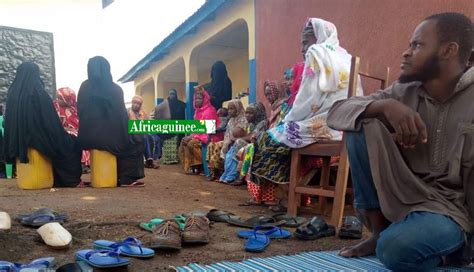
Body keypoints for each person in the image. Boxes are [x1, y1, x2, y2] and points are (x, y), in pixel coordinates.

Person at [327, 12, 473, 271]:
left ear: (449, 50)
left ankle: (457, 244)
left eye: (417, 45)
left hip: (451, 209)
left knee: (396, 250)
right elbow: (337, 112)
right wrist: (385, 106)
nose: (406, 53)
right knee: (361, 122)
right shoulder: (404, 91)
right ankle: (378, 232)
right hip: (403, 194)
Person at [249, 18, 358, 201]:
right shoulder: (346, 57)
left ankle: (289, 197)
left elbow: (308, 98)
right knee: (283, 138)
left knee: (266, 140)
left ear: (317, 39)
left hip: (323, 126)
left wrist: (289, 120)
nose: (302, 49)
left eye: (305, 43)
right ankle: (296, 194)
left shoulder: (317, 53)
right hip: (344, 128)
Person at [4, 61, 82, 187]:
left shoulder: (12, 94)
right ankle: (71, 180)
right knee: (71, 144)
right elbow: (51, 122)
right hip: (38, 139)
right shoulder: (38, 93)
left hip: (17, 141)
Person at [77, 56, 145, 187]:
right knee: (135, 141)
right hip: (108, 139)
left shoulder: (84, 87)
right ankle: (127, 178)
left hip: (86, 137)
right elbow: (120, 118)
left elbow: (80, 111)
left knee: (123, 139)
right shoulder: (115, 90)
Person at [219, 102, 267, 184]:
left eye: (251, 113)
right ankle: (228, 174)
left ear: (258, 113)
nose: (247, 115)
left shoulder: (262, 123)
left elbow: (252, 137)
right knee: (233, 147)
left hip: (259, 146)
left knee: (239, 143)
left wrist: (235, 139)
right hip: (249, 144)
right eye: (246, 113)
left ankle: (236, 175)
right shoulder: (251, 124)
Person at [179, 90, 220, 174]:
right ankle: (190, 167)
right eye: (196, 98)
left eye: (199, 98)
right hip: (200, 136)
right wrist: (190, 136)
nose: (197, 100)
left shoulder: (209, 111)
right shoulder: (197, 111)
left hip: (211, 136)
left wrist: (193, 137)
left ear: (205, 99)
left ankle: (201, 166)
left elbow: (208, 130)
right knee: (184, 141)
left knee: (191, 143)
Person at [53, 87, 91, 174]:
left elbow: (130, 131)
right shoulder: (55, 108)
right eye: (57, 97)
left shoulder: (77, 109)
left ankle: (85, 164)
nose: (57, 100)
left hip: (78, 131)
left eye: (60, 98)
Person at [207, 99, 247, 181]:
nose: (229, 111)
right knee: (212, 145)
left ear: (238, 108)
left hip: (240, 142)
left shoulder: (244, 119)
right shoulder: (230, 121)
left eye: (232, 109)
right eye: (228, 109)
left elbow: (242, 133)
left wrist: (230, 141)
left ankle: (230, 174)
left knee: (222, 148)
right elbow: (227, 135)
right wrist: (227, 143)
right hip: (229, 141)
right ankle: (214, 172)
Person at [153, 89, 186, 164]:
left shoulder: (179, 104)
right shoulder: (165, 104)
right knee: (166, 142)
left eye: (173, 94)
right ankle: (167, 159)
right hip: (168, 127)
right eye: (170, 94)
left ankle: (174, 159)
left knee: (175, 143)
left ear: (176, 95)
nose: (172, 95)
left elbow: (184, 108)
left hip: (176, 127)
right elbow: (159, 111)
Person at [129, 95, 160, 169]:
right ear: (132, 103)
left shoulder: (142, 113)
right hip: (132, 134)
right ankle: (149, 159)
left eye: (138, 104)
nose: (136, 105)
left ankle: (152, 159)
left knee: (155, 138)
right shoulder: (128, 112)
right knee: (146, 137)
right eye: (135, 103)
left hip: (142, 132)